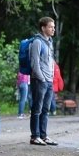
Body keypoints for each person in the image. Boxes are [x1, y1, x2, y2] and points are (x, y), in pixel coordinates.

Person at [28, 16, 58, 146]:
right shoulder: (37, 42)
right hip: (40, 80)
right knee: (37, 109)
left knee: (45, 109)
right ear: (43, 28)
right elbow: (35, 63)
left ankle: (43, 135)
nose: (53, 29)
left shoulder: (49, 42)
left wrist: (50, 78)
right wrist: (42, 78)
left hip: (49, 81)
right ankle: (35, 136)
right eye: (51, 27)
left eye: (54, 27)